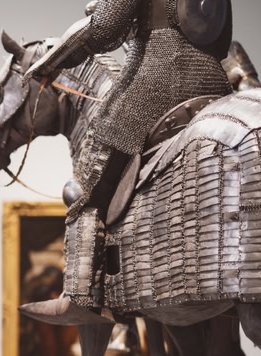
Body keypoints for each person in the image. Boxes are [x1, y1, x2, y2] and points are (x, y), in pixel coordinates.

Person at [21, 0, 233, 325]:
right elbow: (219, 35)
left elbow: (105, 28)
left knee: (86, 188)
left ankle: (79, 296)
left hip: (156, 83)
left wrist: (52, 62)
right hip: (215, 85)